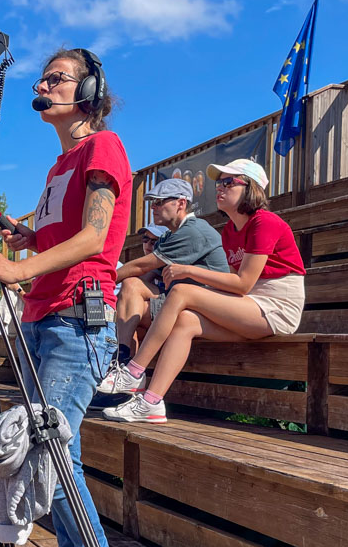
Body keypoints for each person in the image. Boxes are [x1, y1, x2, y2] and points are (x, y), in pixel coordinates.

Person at [0, 47, 128, 547]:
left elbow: (94, 238)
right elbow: (61, 234)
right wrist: (29, 238)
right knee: (52, 453)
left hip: (75, 320)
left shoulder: (103, 146)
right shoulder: (59, 166)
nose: (42, 86)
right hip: (43, 316)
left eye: (56, 78)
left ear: (88, 92)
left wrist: (17, 270)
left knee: (52, 452)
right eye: (42, 79)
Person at [102, 158, 306, 424]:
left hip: (277, 308)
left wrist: (188, 271)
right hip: (251, 305)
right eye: (218, 183)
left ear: (251, 188)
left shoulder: (265, 222)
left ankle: (133, 371)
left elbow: (243, 283)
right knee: (186, 321)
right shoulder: (230, 230)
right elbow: (234, 284)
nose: (219, 187)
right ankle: (151, 402)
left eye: (228, 182)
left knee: (182, 292)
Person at [102, 177, 228, 373]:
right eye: (153, 202)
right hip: (184, 302)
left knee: (132, 307)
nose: (153, 207)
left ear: (181, 203)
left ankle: (122, 366)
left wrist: (101, 281)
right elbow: (143, 277)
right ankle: (122, 364)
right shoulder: (170, 236)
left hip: (210, 309)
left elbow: (141, 266)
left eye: (159, 202)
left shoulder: (193, 230)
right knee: (131, 293)